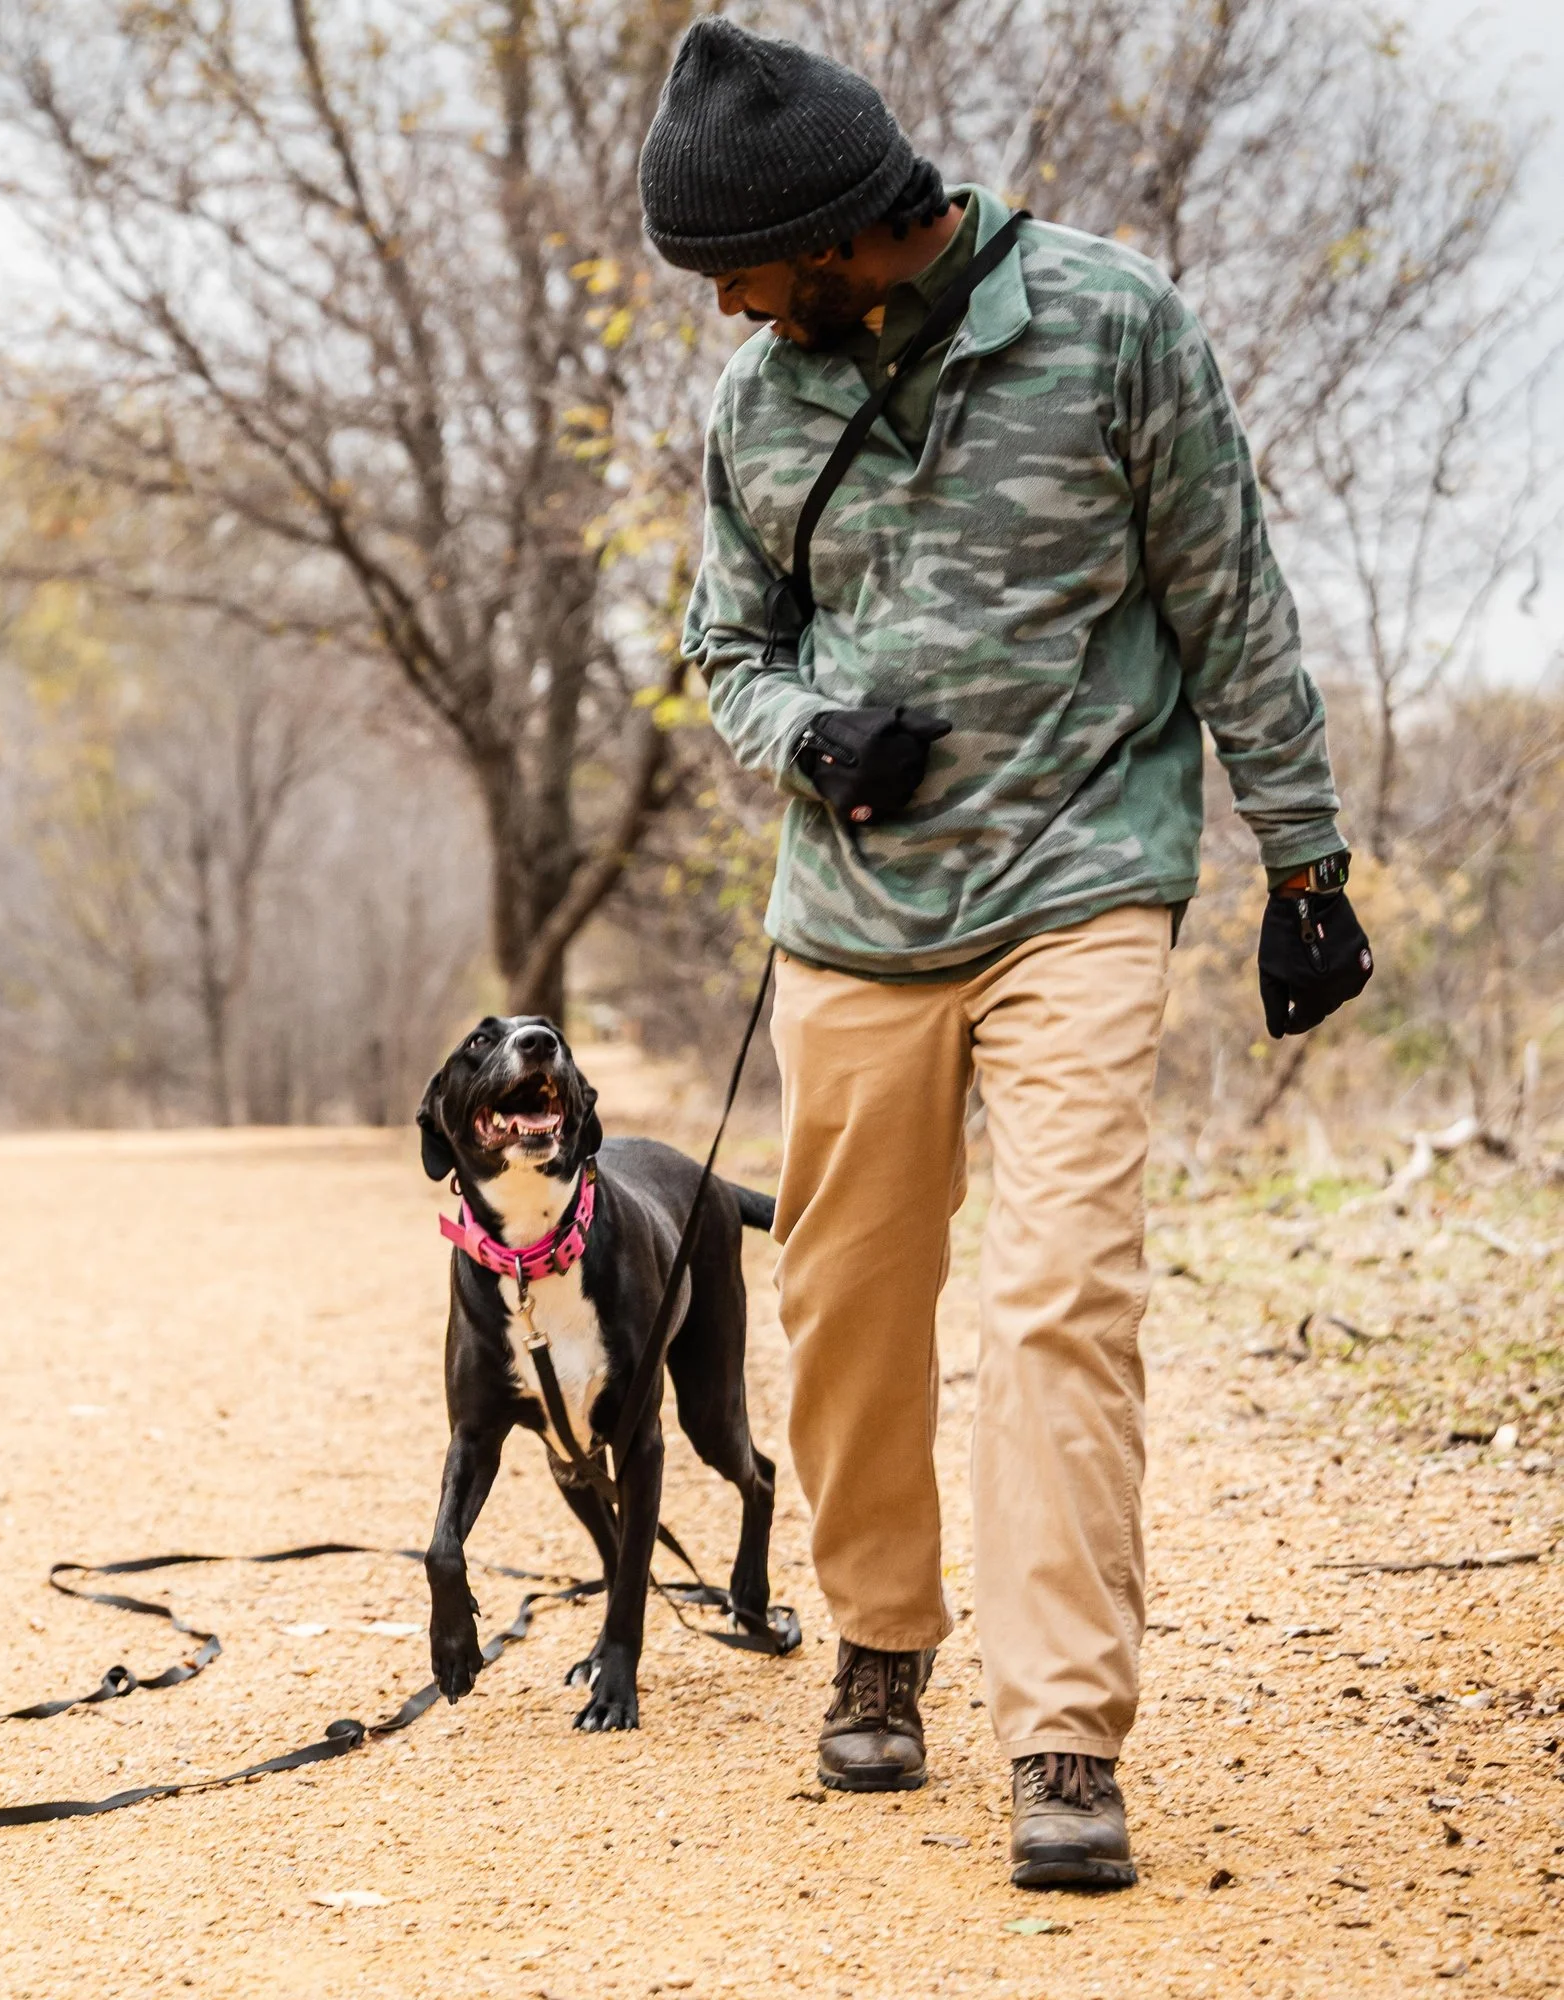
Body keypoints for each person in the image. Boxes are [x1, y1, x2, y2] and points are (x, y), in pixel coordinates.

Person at [639, 21, 1373, 1891]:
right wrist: (809, 732)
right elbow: (729, 645)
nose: (725, 308)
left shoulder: (1113, 323)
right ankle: (880, 1634)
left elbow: (1227, 592)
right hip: (857, 919)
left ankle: (1062, 1733)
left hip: (1083, 880)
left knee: (1060, 1299)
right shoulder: (760, 403)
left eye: (738, 269)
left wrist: (1303, 859)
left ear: (828, 232)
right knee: (850, 1300)